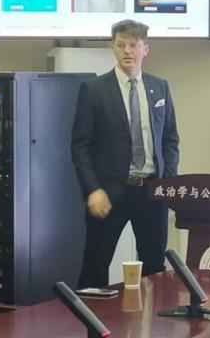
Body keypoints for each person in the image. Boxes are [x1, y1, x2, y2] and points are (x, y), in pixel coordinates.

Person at [72, 20, 180, 288]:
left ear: (146, 49)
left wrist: (167, 181)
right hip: (109, 193)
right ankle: (89, 315)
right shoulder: (94, 90)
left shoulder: (160, 87)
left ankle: (152, 316)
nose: (127, 51)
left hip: (151, 192)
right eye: (121, 45)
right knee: (95, 264)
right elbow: (80, 145)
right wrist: (93, 190)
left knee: (154, 267)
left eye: (133, 45)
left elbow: (170, 139)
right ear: (113, 48)